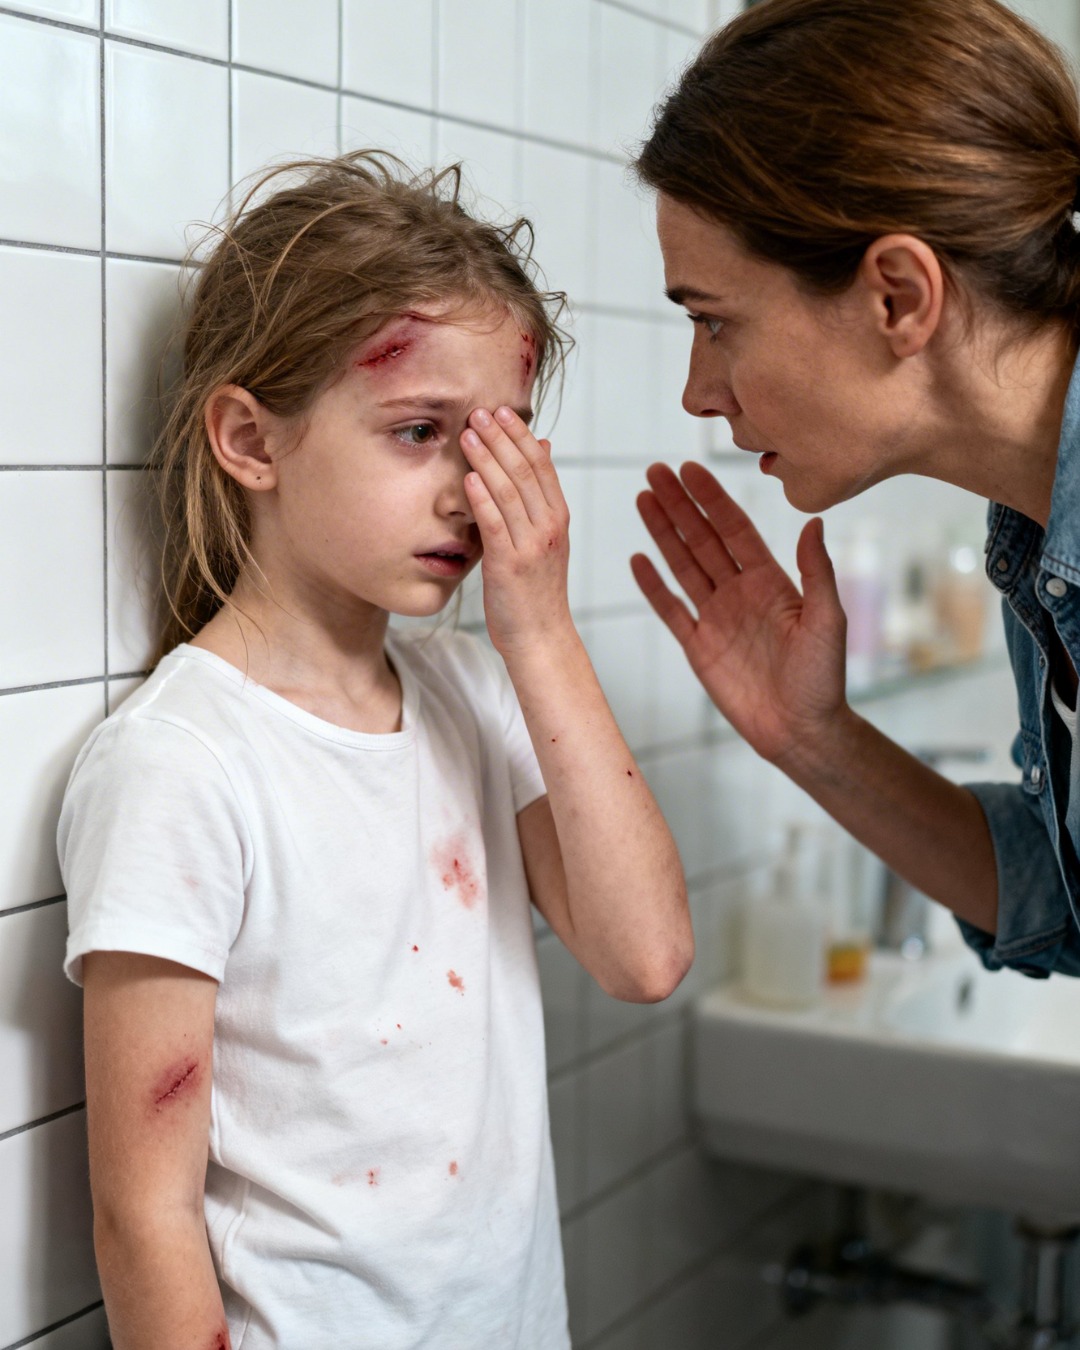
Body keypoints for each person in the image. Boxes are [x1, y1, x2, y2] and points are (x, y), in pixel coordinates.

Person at [59, 152, 691, 1350]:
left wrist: (542, 633)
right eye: (419, 432)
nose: (470, 494)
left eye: (499, 445)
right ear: (251, 440)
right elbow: (143, 1217)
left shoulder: (475, 692)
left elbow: (646, 954)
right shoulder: (181, 765)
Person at [630, 0, 1080, 977]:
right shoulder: (1040, 537)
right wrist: (815, 740)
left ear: (898, 297)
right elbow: (1067, 901)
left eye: (715, 321)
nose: (699, 392)